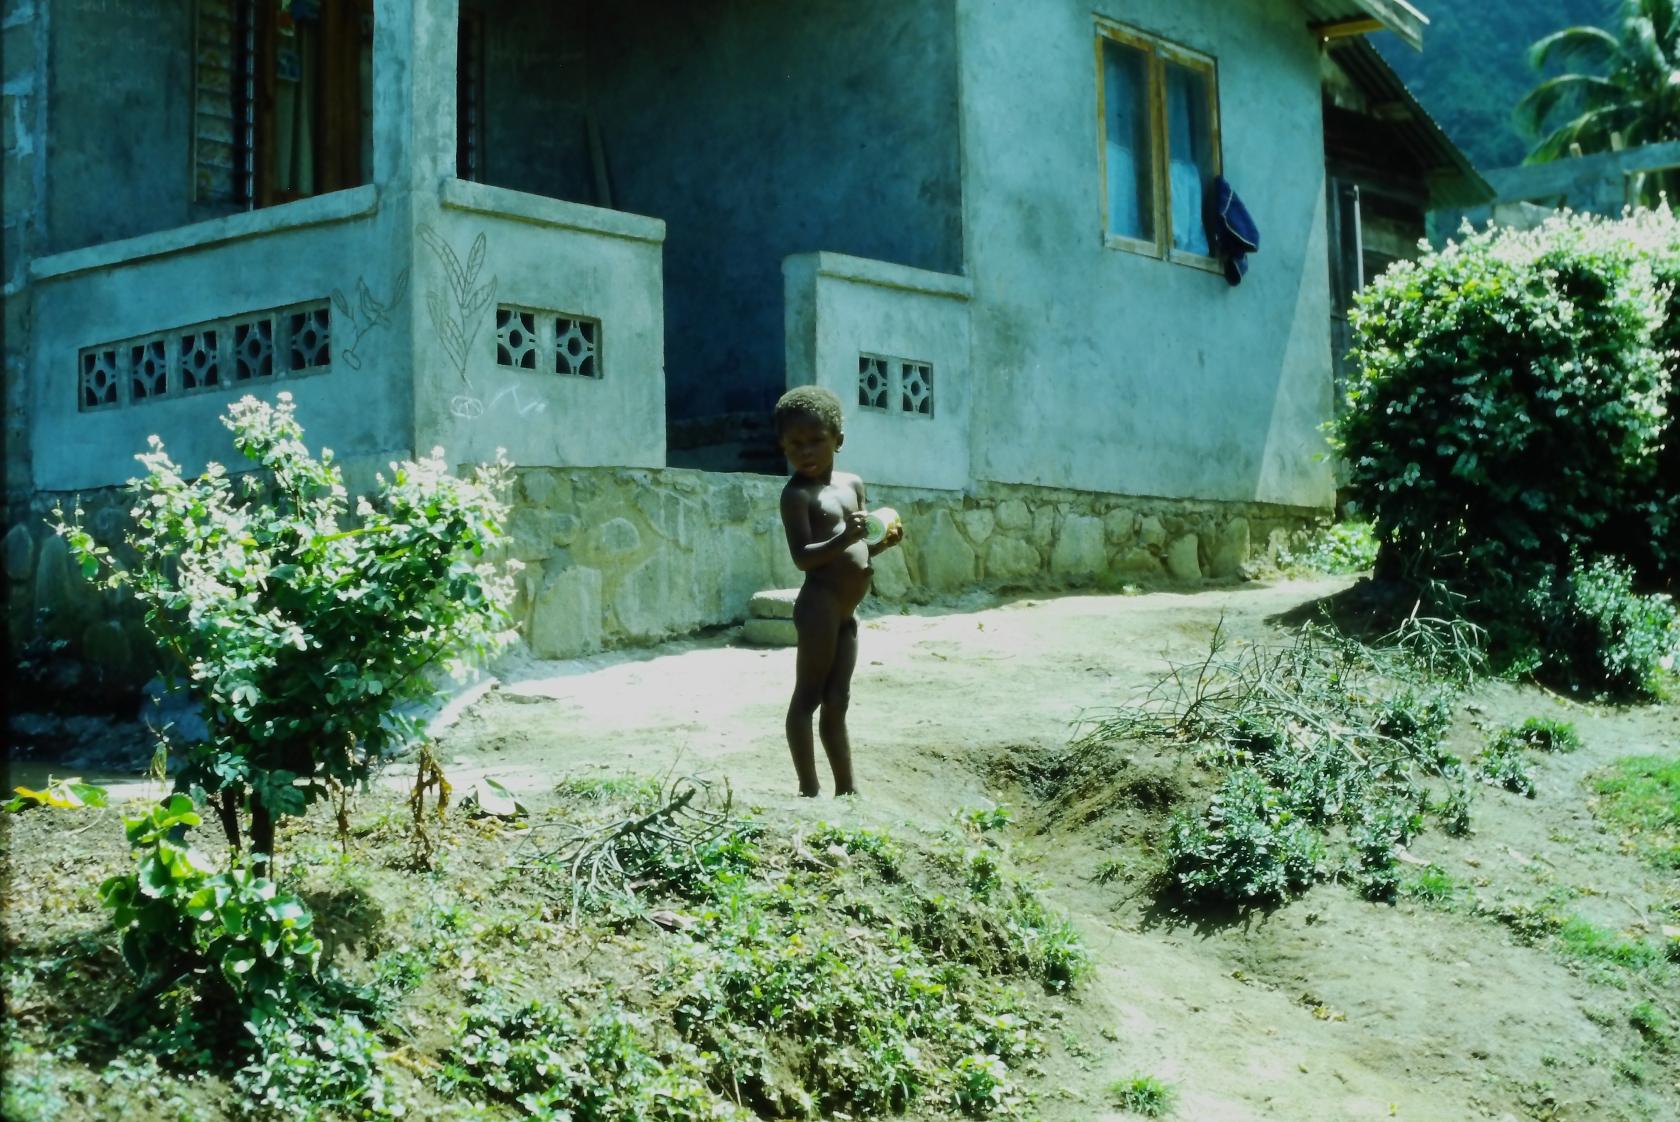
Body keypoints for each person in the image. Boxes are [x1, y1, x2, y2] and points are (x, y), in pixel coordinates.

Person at [773, 385, 903, 797]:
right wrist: (847, 538)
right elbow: (804, 558)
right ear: (783, 447)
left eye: (817, 441)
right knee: (807, 700)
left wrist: (881, 543)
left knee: (837, 699)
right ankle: (808, 790)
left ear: (839, 440)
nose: (806, 452)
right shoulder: (797, 495)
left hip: (848, 613)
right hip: (819, 607)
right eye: (795, 445)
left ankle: (847, 790)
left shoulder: (853, 485)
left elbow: (862, 545)